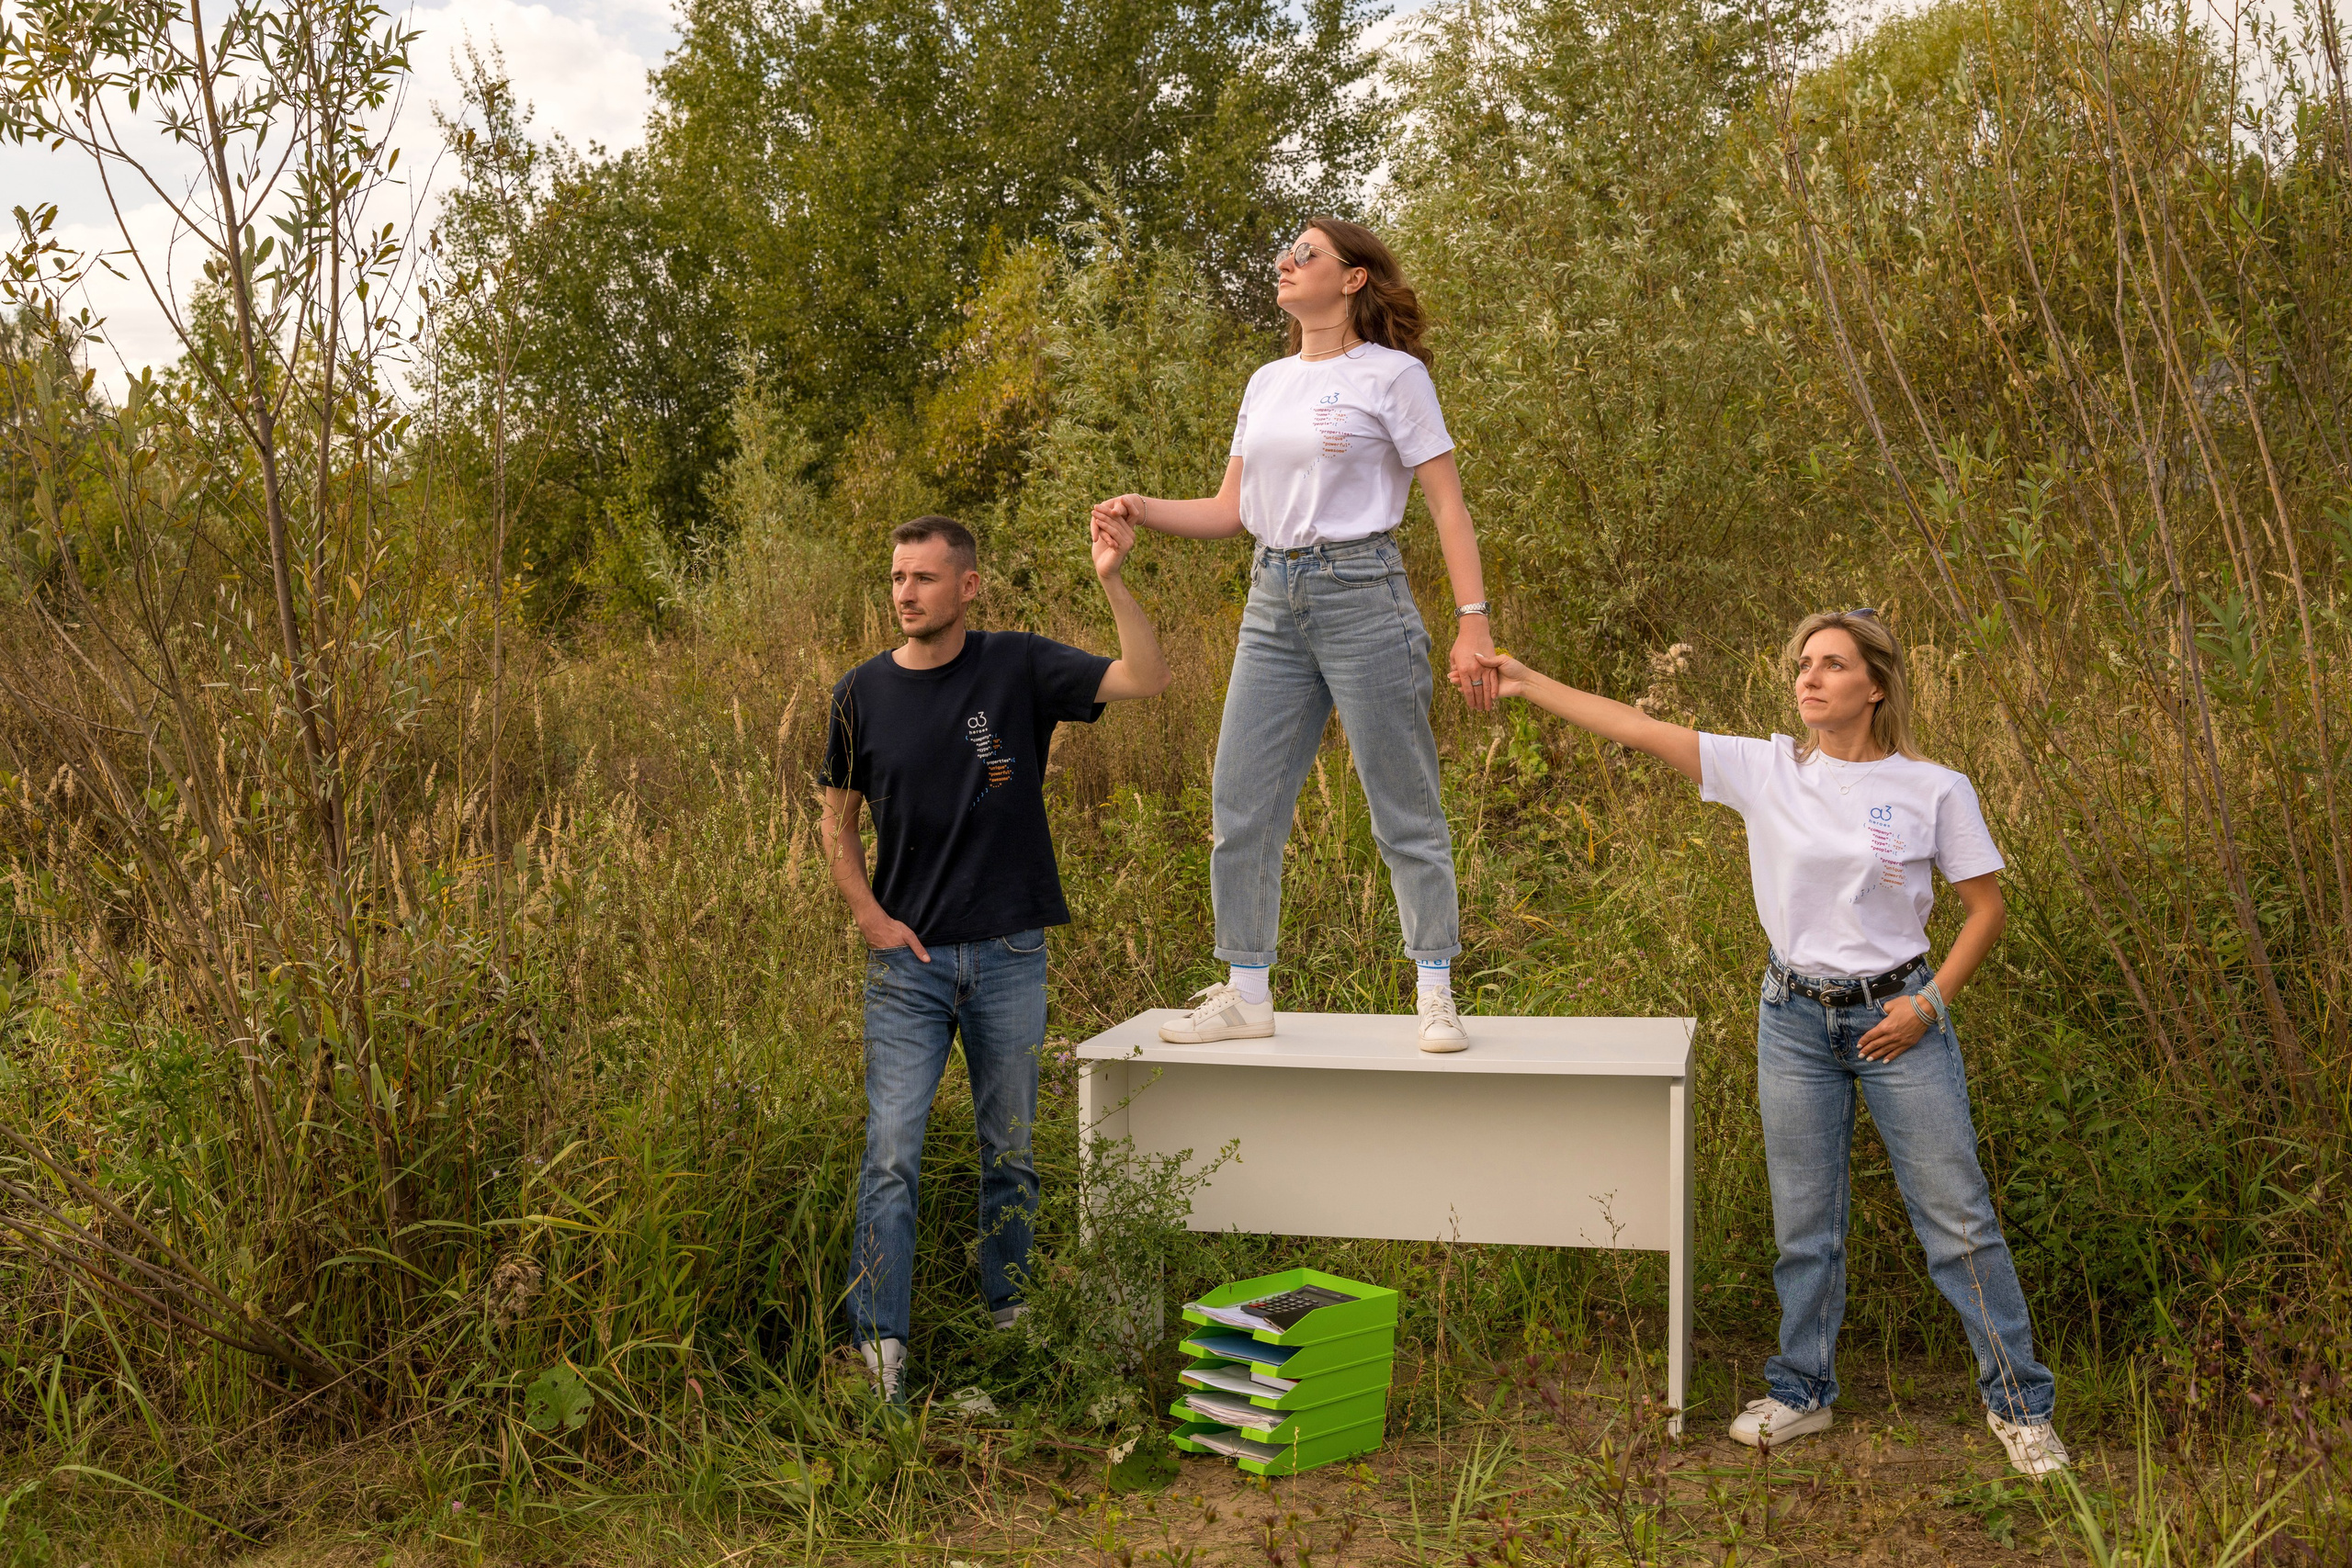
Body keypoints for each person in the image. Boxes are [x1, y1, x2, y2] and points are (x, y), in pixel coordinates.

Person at [1468, 612, 2070, 1478]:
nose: (1810, 678)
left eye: (1832, 664)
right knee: (1805, 1222)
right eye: (1803, 664)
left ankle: (2020, 1406)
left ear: (1876, 684)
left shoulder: (1935, 787)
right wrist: (1526, 680)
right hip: (1792, 1018)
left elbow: (1987, 910)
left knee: (1958, 1220)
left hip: (1898, 1018)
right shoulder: (1767, 769)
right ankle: (1802, 1390)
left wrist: (1928, 1006)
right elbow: (1636, 725)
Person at [1090, 219, 1495, 1053]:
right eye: (1286, 252)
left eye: (1305, 253)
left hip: (1364, 591)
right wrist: (1140, 510)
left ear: (1351, 279)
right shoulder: (1267, 380)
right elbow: (1230, 510)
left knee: (1402, 806)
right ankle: (1246, 992)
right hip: (1273, 599)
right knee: (1241, 803)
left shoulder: (1395, 376)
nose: (1285, 262)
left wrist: (1472, 620)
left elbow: (1446, 504)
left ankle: (1436, 991)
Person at [821, 513, 1170, 1404]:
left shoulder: (1016, 666)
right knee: (892, 1154)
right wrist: (868, 916)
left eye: (924, 578)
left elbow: (1145, 676)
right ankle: (879, 1361)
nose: (906, 593)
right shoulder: (859, 694)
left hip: (1010, 954)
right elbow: (835, 822)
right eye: (897, 578)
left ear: (967, 586)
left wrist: (1113, 580)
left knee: (1009, 1152)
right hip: (907, 966)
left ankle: (1012, 1337)